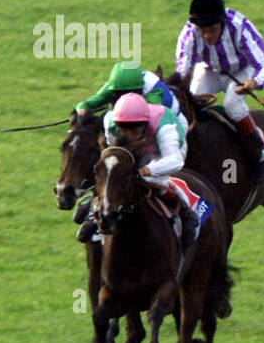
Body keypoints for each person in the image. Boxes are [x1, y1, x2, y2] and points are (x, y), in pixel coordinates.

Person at [175, 0, 264, 181]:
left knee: (232, 104)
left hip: (241, 70)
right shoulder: (190, 33)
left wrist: (253, 82)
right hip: (211, 70)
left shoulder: (240, 27)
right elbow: (182, 70)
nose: (206, 36)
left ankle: (261, 151)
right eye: (202, 30)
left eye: (212, 30)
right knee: (193, 100)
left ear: (222, 23)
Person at [78, 94, 205, 250]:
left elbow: (175, 161)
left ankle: (187, 212)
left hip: (164, 151)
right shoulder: (110, 122)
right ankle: (95, 209)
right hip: (134, 151)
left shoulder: (164, 127)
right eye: (124, 130)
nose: (129, 136)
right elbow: (113, 157)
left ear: (145, 125)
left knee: (155, 180)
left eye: (134, 130)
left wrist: (146, 170)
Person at [75, 61, 189, 134]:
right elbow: (87, 104)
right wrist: (82, 110)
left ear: (140, 90)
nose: (125, 99)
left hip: (170, 125)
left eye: (129, 93)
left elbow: (147, 124)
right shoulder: (113, 86)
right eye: (120, 94)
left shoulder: (154, 91)